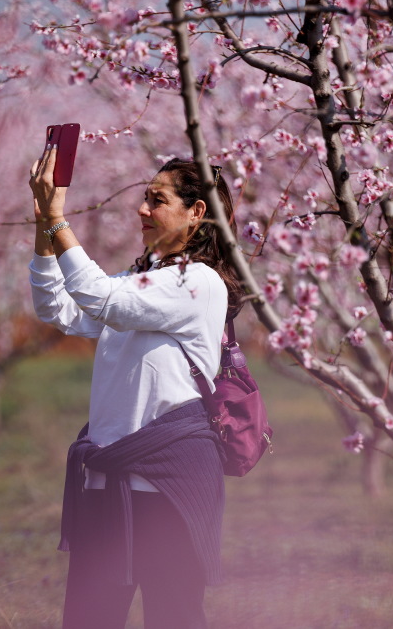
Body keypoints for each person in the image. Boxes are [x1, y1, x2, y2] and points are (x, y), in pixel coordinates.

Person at [27, 144, 244, 629]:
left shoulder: (198, 282)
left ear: (196, 213)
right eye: (144, 198)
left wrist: (58, 219)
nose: (142, 210)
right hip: (108, 479)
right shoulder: (141, 278)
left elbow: (101, 298)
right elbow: (58, 308)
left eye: (157, 199)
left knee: (173, 619)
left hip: (167, 486)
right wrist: (45, 223)